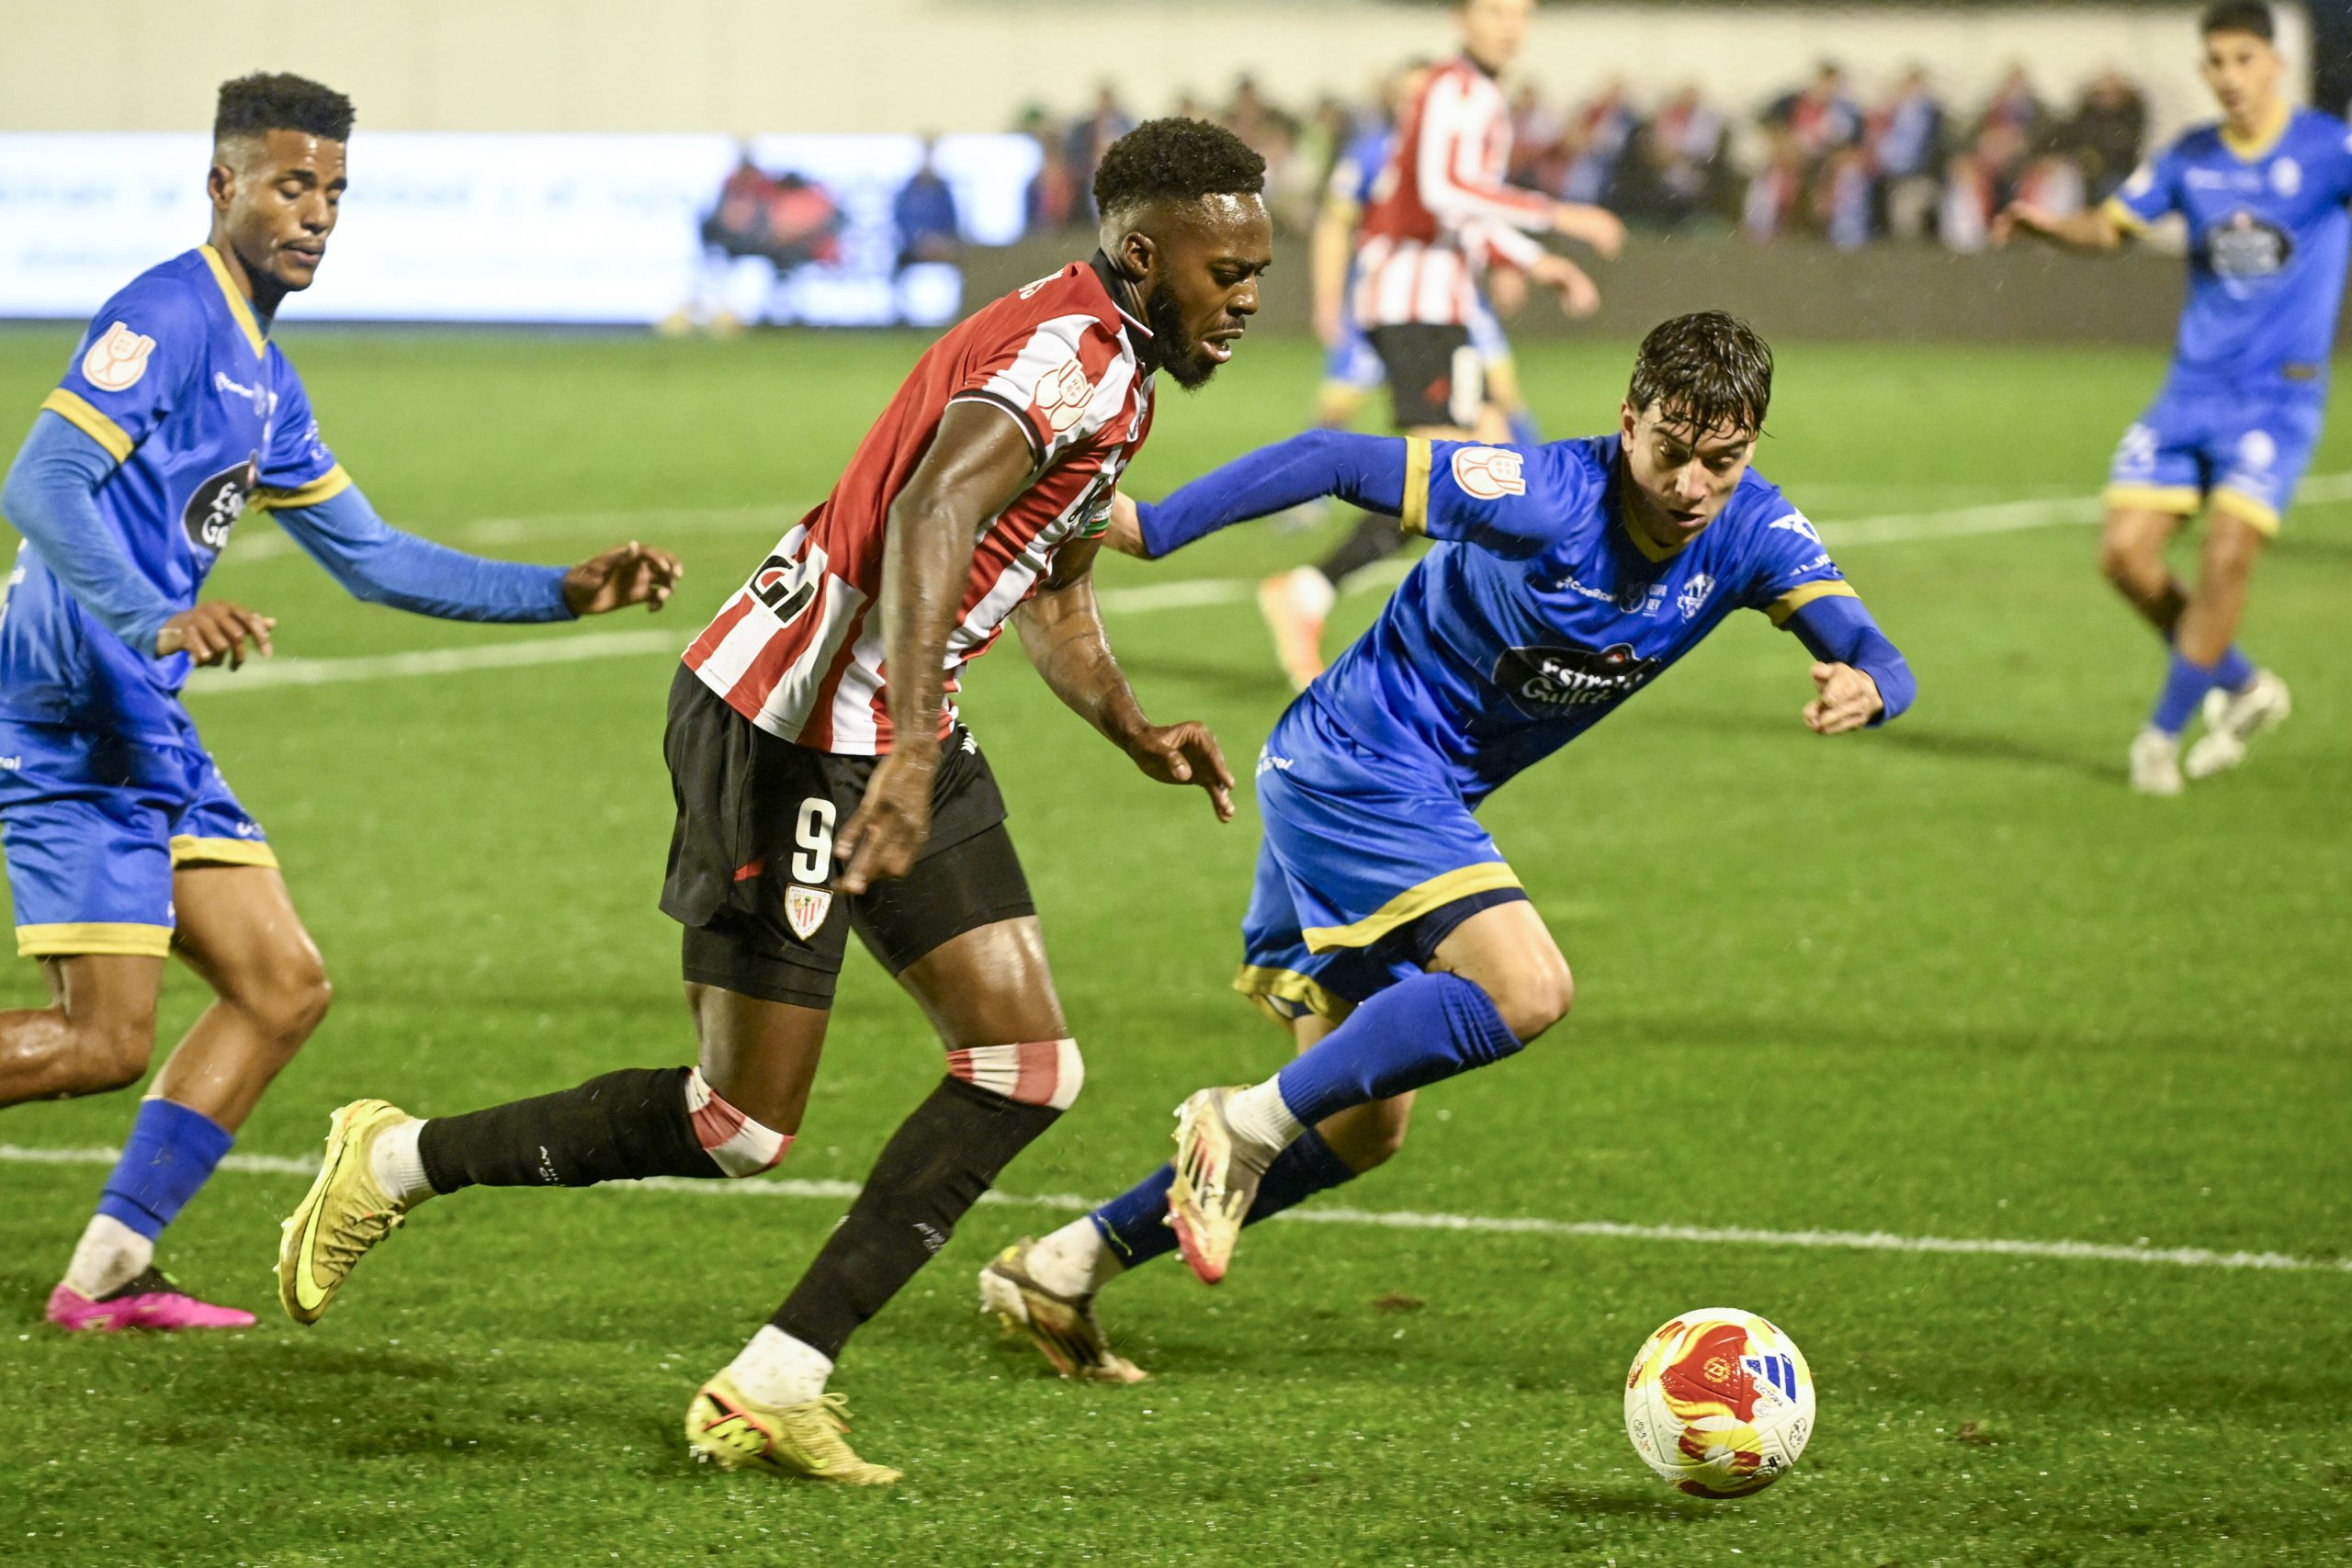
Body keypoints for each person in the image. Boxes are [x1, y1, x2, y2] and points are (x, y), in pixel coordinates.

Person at [273, 118, 1273, 1485]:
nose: (1250, 296)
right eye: (1229, 271)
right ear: (1147, 253)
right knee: (736, 1124)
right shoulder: (1065, 360)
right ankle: (393, 1161)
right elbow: (931, 515)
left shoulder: (1124, 365)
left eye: (1260, 268)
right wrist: (913, 746)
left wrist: (1131, 726)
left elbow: (1043, 572)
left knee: (1026, 1065)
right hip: (791, 724)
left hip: (891, 726)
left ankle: (774, 1378)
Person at [978, 312, 1914, 1379]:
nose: (1693, 485)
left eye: (1723, 459)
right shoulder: (1541, 493)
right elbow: (1333, 458)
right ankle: (1235, 1125)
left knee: (1363, 1129)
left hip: (1374, 790)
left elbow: (1878, 652)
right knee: (1526, 989)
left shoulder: (1752, 534)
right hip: (1357, 766)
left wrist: (1869, 687)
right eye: (1670, 450)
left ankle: (1061, 1265)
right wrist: (1154, 525)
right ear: (1627, 422)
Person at [0, 73, 683, 1334]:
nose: (313, 213)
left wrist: (559, 592)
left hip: (140, 710)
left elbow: (374, 557)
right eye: (288, 185)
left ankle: (104, 1274)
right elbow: (41, 483)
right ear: (224, 187)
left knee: (280, 984)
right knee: (100, 1042)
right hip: (66, 707)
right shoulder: (169, 312)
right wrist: (153, 612)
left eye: (331, 191)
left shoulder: (267, 376)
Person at [1996, 2, 2341, 791]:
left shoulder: (2328, 151)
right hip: (2192, 391)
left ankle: (2160, 737)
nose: (2229, 77)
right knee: (2123, 557)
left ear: (2276, 62)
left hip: (2276, 400)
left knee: (2227, 554)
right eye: (2215, 62)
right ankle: (2245, 685)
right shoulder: (2190, 159)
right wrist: (2049, 226)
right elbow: (2114, 228)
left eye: (2243, 59)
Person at [1258, 0, 1623, 694]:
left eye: (1523, 11)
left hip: (1439, 304)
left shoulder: (1473, 93)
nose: (1511, 24)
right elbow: (1446, 191)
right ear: (1462, 16)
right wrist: (1559, 219)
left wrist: (1533, 261)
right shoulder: (1457, 89)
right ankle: (1315, 591)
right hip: (1416, 305)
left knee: (1500, 471)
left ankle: (1492, 640)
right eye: (1496, 9)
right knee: (1450, 479)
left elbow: (1457, 212)